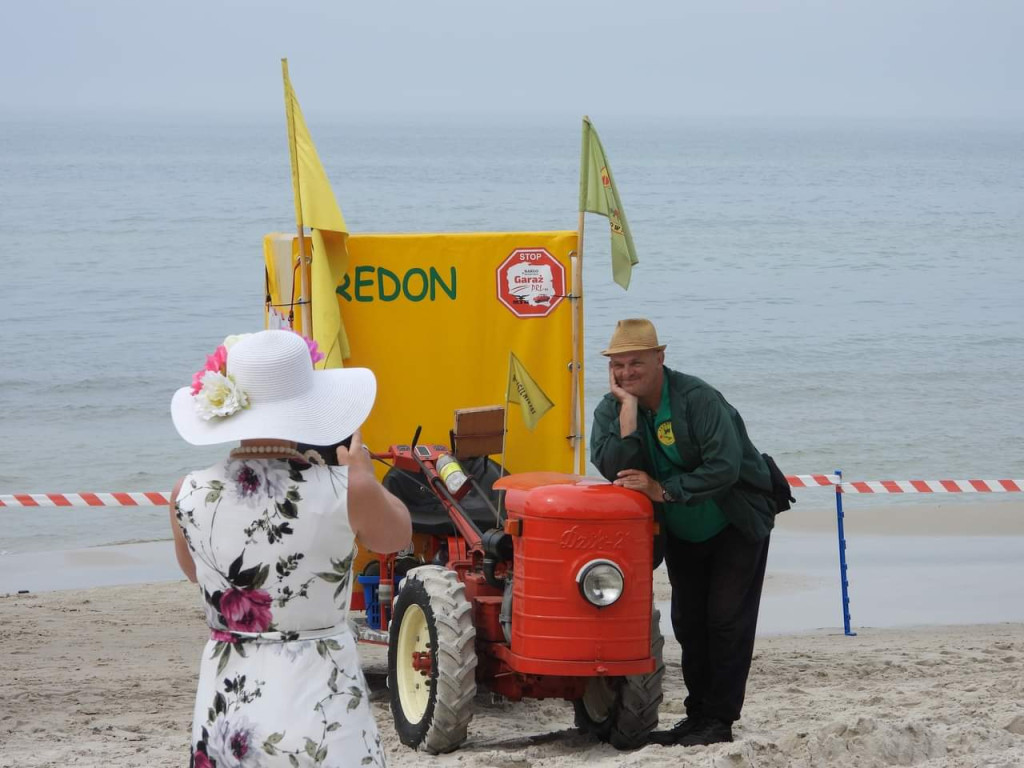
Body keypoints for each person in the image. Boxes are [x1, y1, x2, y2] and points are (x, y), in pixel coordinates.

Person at [168, 329, 411, 767]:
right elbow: (396, 537)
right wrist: (364, 478)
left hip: (230, 686)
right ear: (309, 407)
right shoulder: (343, 488)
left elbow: (195, 571)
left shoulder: (187, 491)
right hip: (322, 681)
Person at [590, 318, 775, 748]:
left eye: (636, 362)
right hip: (683, 532)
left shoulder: (698, 398)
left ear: (660, 358)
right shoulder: (610, 409)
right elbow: (614, 467)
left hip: (734, 522)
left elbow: (725, 467)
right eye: (618, 365)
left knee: (726, 622)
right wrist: (629, 411)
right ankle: (698, 716)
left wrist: (663, 489)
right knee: (689, 624)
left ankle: (720, 719)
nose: (627, 373)